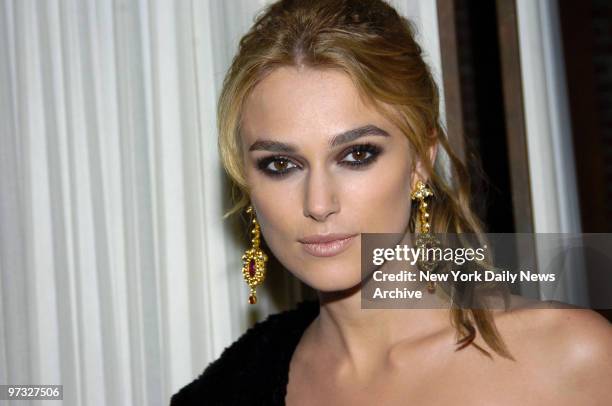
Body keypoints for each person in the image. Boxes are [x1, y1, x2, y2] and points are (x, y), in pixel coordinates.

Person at [170, 0, 612, 404]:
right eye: (281, 164)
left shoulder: (568, 358)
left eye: (357, 155)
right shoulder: (231, 388)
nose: (319, 203)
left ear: (421, 159)